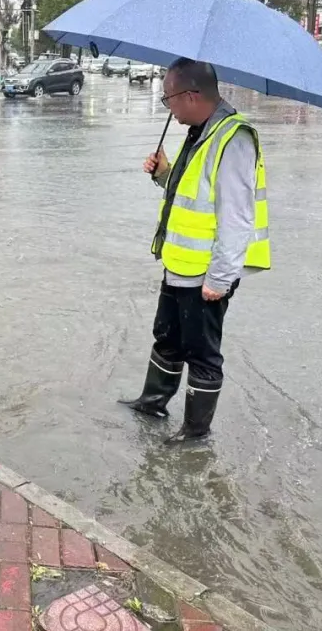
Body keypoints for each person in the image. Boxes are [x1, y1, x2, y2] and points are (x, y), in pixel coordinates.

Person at [118, 58, 270, 443]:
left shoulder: (233, 138)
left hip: (206, 274)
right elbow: (191, 195)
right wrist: (163, 175)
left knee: (202, 354)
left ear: (190, 95)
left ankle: (195, 433)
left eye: (169, 98)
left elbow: (237, 216)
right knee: (167, 336)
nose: (167, 106)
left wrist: (219, 279)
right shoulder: (199, 132)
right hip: (179, 264)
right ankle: (153, 401)